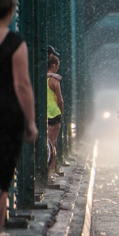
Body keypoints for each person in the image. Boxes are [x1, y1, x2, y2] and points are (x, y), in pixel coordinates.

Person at [0, 0, 38, 236]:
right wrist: (31, 122)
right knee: (0, 180)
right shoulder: (15, 43)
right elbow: (23, 86)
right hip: (7, 115)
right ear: (11, 12)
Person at [47, 55, 64, 184]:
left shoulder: (41, 79)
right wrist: (61, 112)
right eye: (57, 66)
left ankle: (42, 167)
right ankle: (51, 171)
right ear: (53, 66)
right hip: (54, 114)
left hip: (43, 115)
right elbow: (60, 100)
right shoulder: (54, 81)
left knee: (44, 142)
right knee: (53, 142)